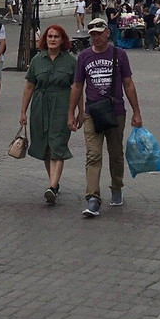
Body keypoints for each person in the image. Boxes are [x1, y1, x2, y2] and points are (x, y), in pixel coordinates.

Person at [68, 17, 144, 218]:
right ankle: (93, 198)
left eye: (99, 33)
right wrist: (72, 113)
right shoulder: (84, 57)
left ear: (107, 33)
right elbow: (77, 86)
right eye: (92, 34)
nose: (96, 38)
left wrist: (136, 112)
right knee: (93, 155)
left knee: (116, 153)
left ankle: (116, 186)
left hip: (115, 111)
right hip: (92, 113)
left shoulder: (119, 55)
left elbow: (128, 84)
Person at [20, 24, 77, 204]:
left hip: (61, 104)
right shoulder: (38, 60)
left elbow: (77, 88)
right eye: (50, 36)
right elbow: (29, 86)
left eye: (56, 37)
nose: (52, 39)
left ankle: (52, 187)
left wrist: (78, 112)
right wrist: (23, 112)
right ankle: (54, 183)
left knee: (57, 143)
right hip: (40, 105)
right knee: (45, 145)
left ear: (62, 40)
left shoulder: (70, 61)